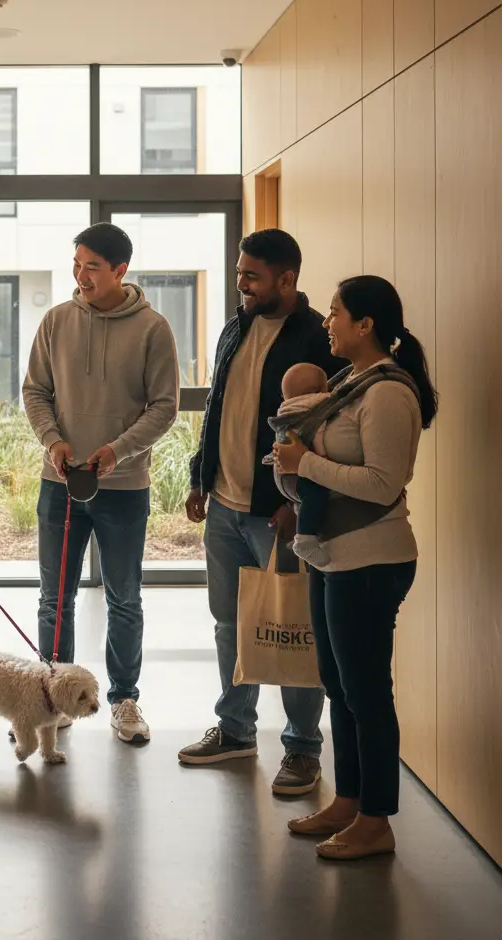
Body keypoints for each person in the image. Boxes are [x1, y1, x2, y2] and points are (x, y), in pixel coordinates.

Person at [273, 276, 436, 860]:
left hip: (371, 559)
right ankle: (349, 800)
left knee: (368, 695)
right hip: (334, 556)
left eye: (337, 313)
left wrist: (305, 463)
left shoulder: (389, 393)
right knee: (340, 688)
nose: (328, 322)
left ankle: (377, 820)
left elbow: (383, 483)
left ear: (366, 324)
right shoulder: (351, 381)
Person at [180, 228, 346, 795]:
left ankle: (302, 748)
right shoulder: (237, 325)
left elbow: (328, 431)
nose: (241, 284)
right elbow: (217, 407)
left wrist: (298, 503)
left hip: (276, 513)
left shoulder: (318, 337)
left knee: (293, 626)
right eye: (239, 274)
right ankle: (235, 730)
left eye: (252, 276)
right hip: (224, 505)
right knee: (229, 622)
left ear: (287, 279)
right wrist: (201, 478)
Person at [23, 223, 180, 744]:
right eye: (77, 263)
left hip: (125, 487)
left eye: (92, 266)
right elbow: (35, 392)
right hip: (60, 483)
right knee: (54, 599)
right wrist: (53, 442)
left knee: (125, 598)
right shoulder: (56, 321)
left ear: (120, 270)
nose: (80, 274)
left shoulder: (154, 329)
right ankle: (51, 699)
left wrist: (119, 450)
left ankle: (124, 699)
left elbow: (164, 407)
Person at [262, 362, 332, 566]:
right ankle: (305, 539)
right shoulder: (318, 406)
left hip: (280, 472)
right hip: (299, 472)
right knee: (316, 495)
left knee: (304, 502)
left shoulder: (286, 410)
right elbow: (318, 435)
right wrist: (324, 459)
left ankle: (304, 529)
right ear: (323, 389)